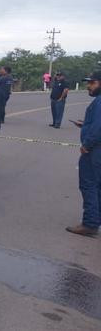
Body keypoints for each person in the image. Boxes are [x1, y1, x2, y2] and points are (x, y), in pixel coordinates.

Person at [66, 70, 101, 237]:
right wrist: (85, 125)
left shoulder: (100, 102)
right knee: (97, 185)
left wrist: (87, 144)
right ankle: (95, 220)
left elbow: (99, 127)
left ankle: (90, 223)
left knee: (89, 185)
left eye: (92, 83)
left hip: (95, 150)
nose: (89, 86)